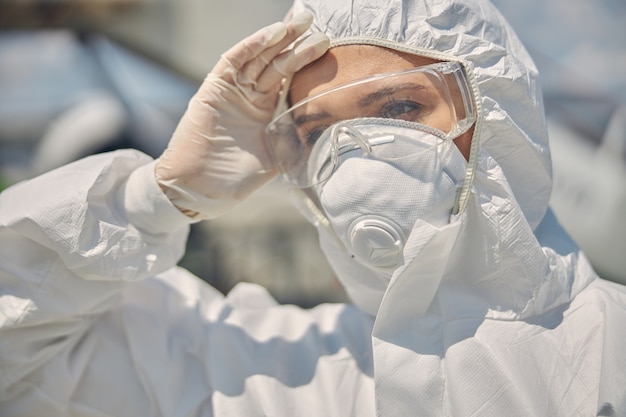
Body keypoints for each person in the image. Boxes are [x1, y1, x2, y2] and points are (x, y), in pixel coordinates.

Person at [1, 0, 625, 416]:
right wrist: (161, 194)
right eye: (315, 132)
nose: (353, 159)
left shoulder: (610, 350)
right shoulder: (277, 374)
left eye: (400, 110)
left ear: (496, 111)